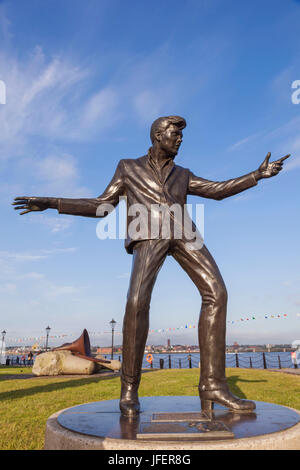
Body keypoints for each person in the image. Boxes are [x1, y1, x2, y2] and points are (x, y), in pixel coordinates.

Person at [12, 115, 290, 417]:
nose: (180, 139)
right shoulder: (128, 167)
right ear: (158, 136)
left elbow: (217, 190)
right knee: (136, 303)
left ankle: (213, 385)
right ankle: (129, 389)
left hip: (185, 235)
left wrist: (257, 175)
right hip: (148, 234)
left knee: (216, 292)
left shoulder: (183, 174)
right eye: (175, 134)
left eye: (181, 135)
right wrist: (53, 203)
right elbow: (100, 205)